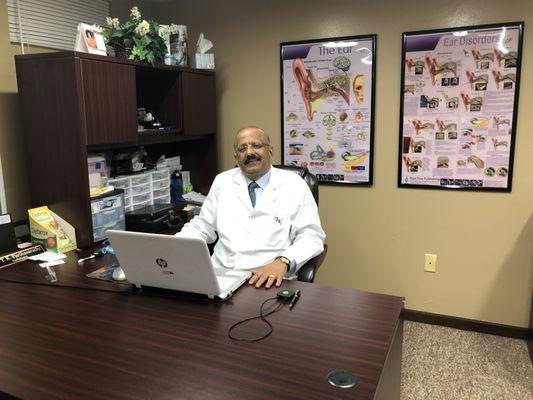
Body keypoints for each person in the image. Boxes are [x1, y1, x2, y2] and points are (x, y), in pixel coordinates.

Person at [177, 126, 325, 289]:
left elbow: (311, 236)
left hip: (271, 278)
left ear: (270, 151)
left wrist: (283, 262)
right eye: (242, 148)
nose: (249, 153)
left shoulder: (294, 184)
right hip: (222, 275)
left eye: (256, 145)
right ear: (236, 157)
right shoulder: (222, 182)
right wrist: (173, 245)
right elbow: (203, 226)